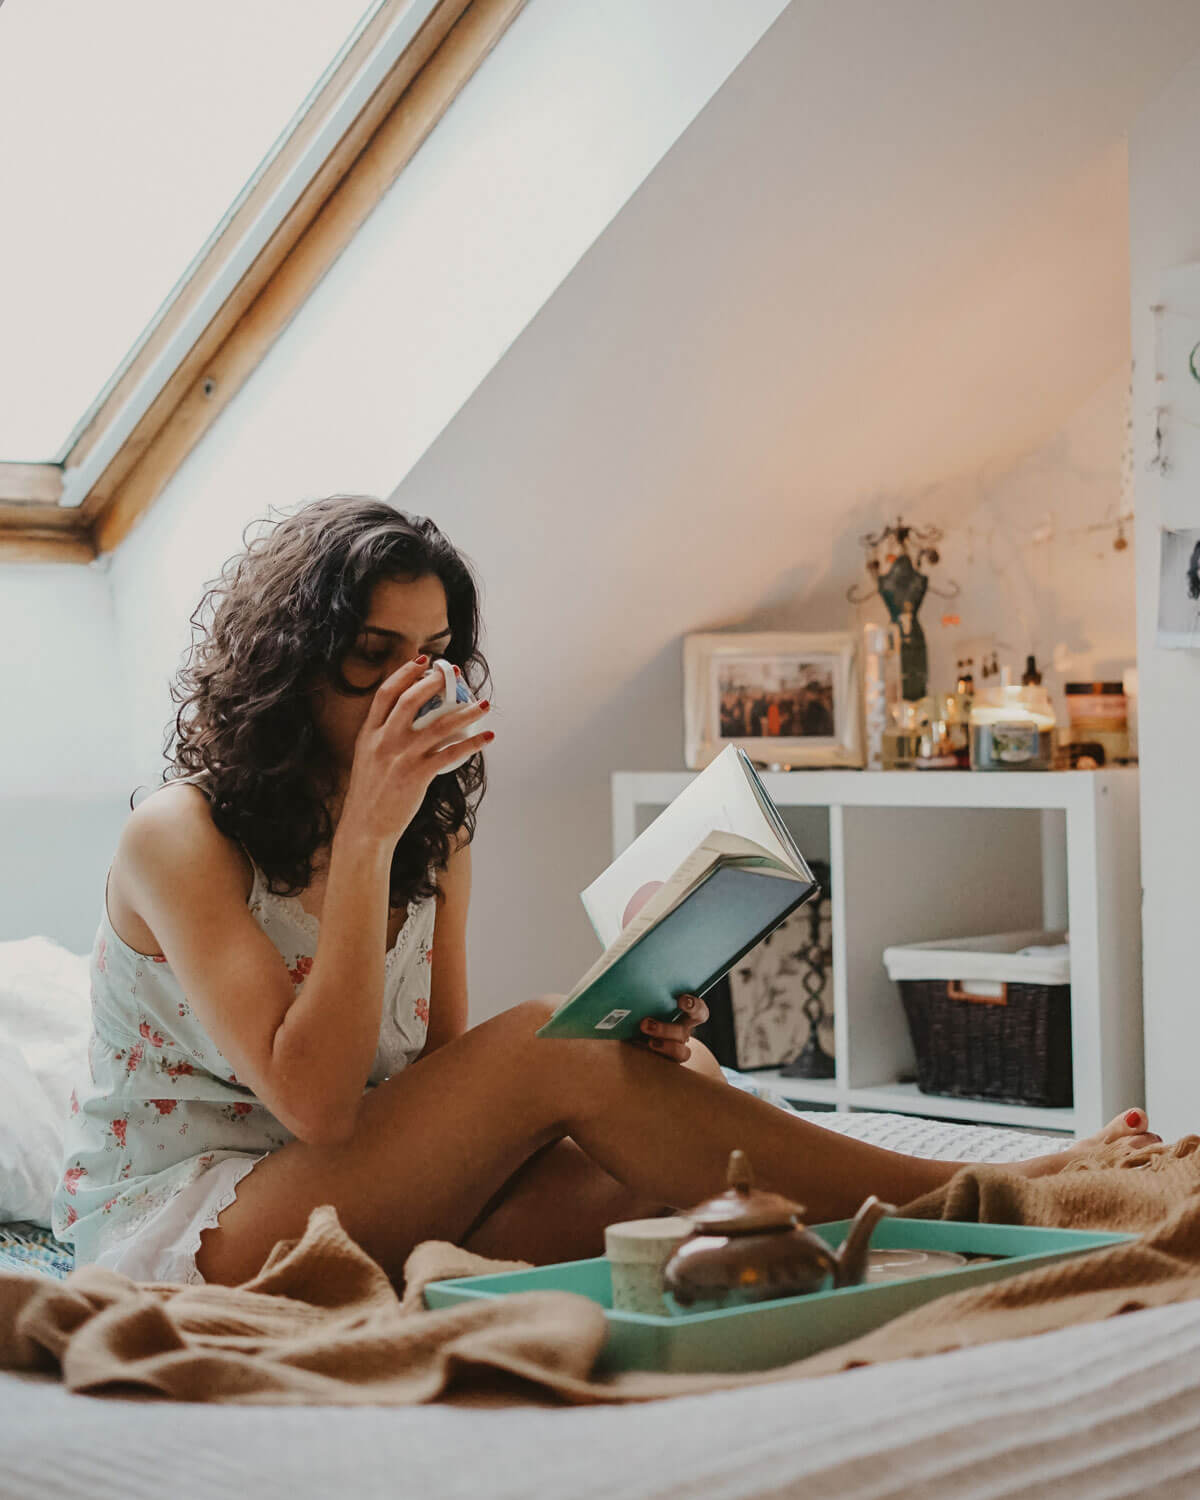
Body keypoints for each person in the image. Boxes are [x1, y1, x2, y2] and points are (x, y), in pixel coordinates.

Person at [51, 496, 1160, 1289]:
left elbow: (430, 1089)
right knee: (551, 1041)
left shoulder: (435, 829)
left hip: (346, 1185)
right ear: (290, 662)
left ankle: (931, 1217)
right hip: (202, 1218)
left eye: (433, 652)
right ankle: (985, 1196)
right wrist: (365, 841)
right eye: (373, 652)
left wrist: (629, 1038)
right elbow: (320, 1105)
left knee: (661, 1158)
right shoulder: (182, 837)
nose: (413, 684)